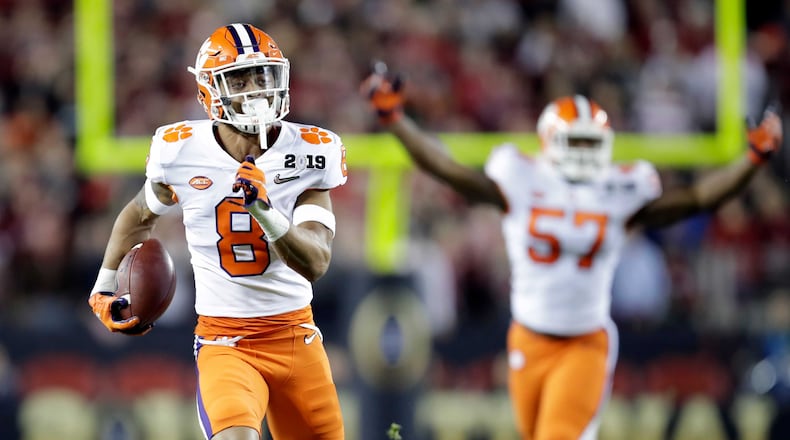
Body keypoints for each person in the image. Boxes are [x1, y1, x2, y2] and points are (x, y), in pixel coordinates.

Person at [361, 71, 782, 439]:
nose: (583, 150)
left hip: (584, 341)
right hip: (527, 336)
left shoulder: (619, 189)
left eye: (590, 141)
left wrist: (752, 159)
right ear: (549, 140)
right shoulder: (520, 176)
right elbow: (446, 169)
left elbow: (695, 199)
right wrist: (395, 121)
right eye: (574, 140)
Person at [89, 23, 347, 440]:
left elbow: (316, 261)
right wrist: (102, 289)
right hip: (226, 341)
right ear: (210, 90)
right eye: (239, 79)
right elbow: (139, 215)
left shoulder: (310, 152)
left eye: (262, 75)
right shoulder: (181, 150)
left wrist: (264, 211)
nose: (255, 90)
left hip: (297, 338)